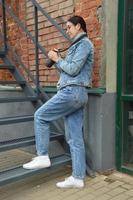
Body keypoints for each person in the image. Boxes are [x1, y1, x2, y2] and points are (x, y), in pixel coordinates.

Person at [23, 15, 94, 188]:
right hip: (76, 93)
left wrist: (58, 59)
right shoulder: (77, 45)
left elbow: (73, 69)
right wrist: (58, 59)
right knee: (74, 138)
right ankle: (78, 178)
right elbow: (67, 69)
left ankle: (43, 156)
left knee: (40, 116)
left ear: (78, 27)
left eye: (69, 27)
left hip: (72, 92)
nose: (67, 30)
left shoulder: (84, 44)